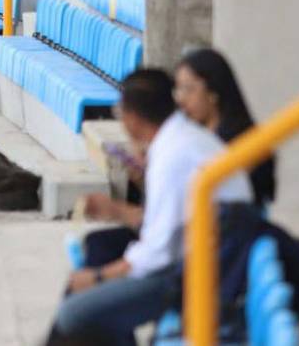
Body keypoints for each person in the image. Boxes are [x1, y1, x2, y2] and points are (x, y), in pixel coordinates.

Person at [49, 69, 252, 346]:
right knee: (87, 286)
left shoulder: (173, 156)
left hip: (191, 276)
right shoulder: (182, 139)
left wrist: (99, 277)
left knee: (73, 314)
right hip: (200, 261)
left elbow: (158, 253)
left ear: (132, 117)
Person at [174, 48, 277, 208]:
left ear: (213, 92)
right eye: (178, 89)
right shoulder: (193, 134)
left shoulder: (241, 143)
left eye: (189, 89)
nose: (181, 99)